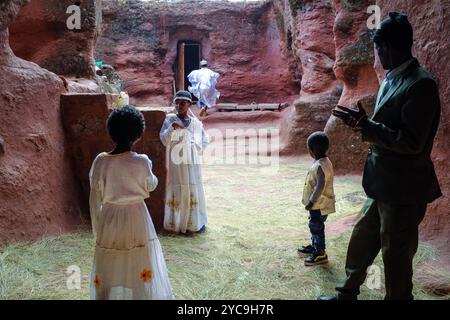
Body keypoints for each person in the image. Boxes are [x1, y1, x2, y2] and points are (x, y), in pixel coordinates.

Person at [321, 12, 442, 300]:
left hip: (404, 189)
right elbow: (387, 126)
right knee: (362, 239)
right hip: (383, 183)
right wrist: (362, 123)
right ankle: (347, 293)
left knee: (396, 257)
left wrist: (367, 127)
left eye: (379, 48)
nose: (378, 55)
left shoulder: (420, 84)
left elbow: (411, 143)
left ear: (389, 47)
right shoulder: (392, 78)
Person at [89, 105, 173, 300]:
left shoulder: (100, 161)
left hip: (109, 218)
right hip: (137, 218)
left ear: (111, 132)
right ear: (139, 134)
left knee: (110, 262)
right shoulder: (142, 162)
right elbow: (151, 184)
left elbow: (95, 198)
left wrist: (97, 228)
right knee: (139, 260)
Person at [160, 91, 209, 235]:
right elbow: (164, 139)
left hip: (191, 161)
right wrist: (172, 128)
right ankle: (176, 222)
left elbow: (204, 140)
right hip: (176, 162)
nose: (179, 105)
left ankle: (193, 223)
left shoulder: (195, 123)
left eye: (182, 103)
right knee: (177, 186)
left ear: (189, 104)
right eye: (176, 102)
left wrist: (192, 147)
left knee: (193, 187)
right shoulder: (170, 119)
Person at [298, 132, 336, 266]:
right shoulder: (325, 161)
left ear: (311, 150)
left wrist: (311, 202)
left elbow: (320, 187)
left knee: (316, 227)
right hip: (321, 204)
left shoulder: (320, 166)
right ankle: (315, 246)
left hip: (318, 204)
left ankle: (320, 253)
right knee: (316, 226)